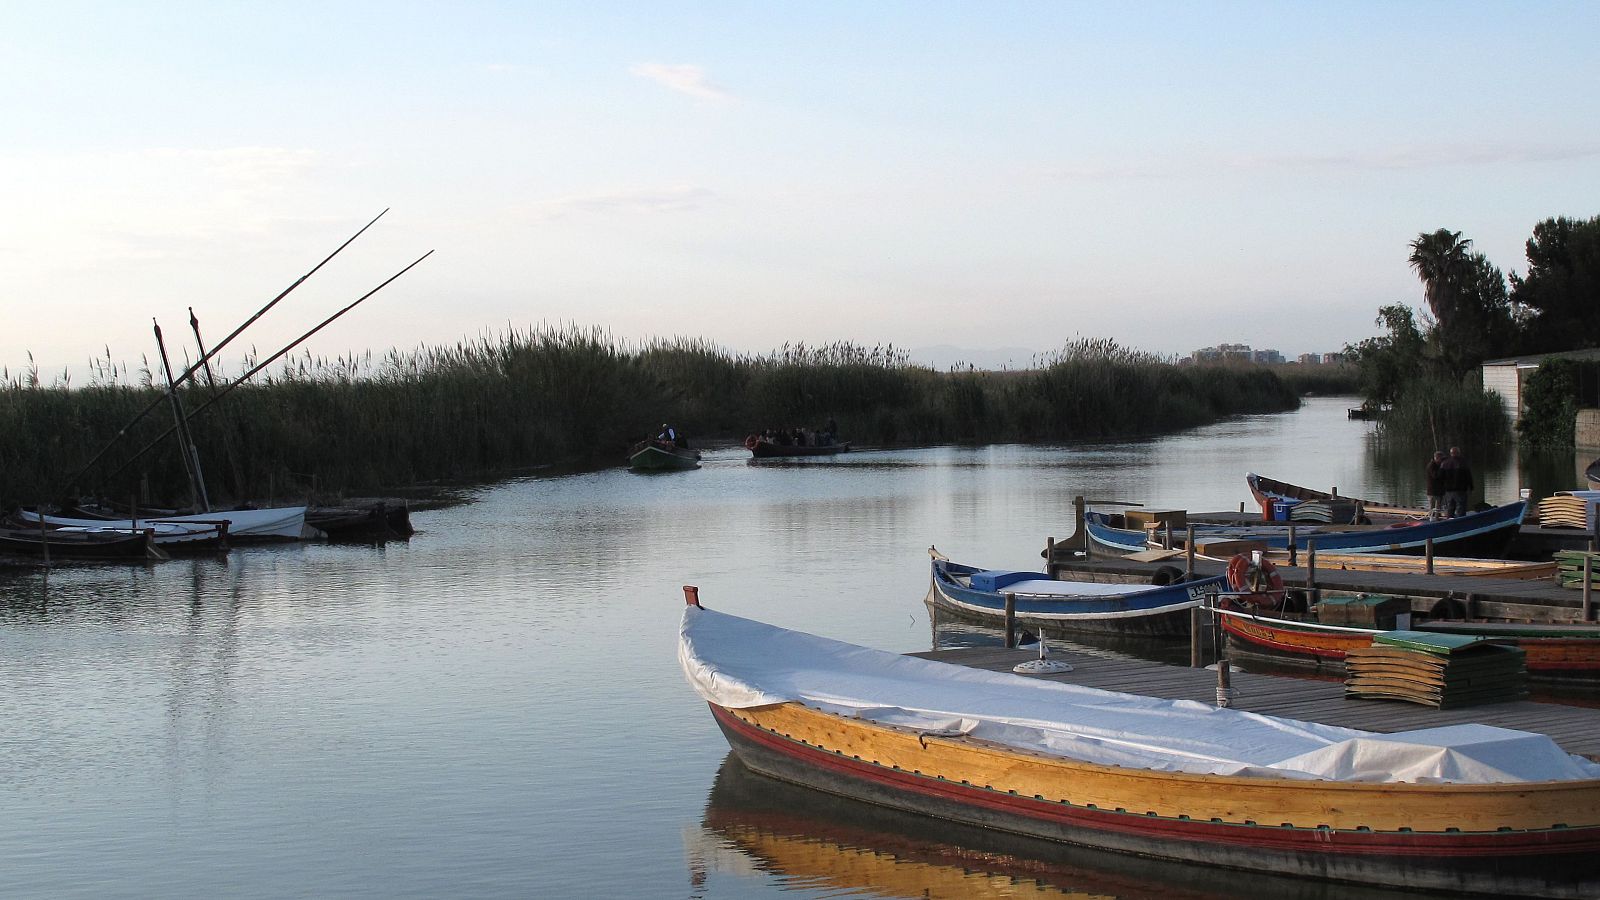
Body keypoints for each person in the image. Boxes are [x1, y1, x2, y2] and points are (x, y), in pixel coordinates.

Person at [1440, 446, 1473, 518]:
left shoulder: (1444, 463)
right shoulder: (1463, 462)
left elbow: (1440, 477)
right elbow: (1468, 477)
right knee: (1461, 507)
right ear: (1458, 453)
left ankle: (1449, 521)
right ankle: (1461, 522)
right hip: (1460, 490)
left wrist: (1442, 488)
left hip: (1448, 490)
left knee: (1450, 507)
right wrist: (1471, 487)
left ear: (1451, 453)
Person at [1424, 450, 1446, 518]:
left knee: (1438, 507)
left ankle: (1437, 519)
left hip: (1439, 491)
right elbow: (1435, 476)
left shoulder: (1438, 465)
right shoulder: (1431, 465)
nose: (1442, 460)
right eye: (1441, 459)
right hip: (1432, 491)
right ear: (1436, 458)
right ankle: (1431, 519)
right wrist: (1442, 467)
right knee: (1432, 508)